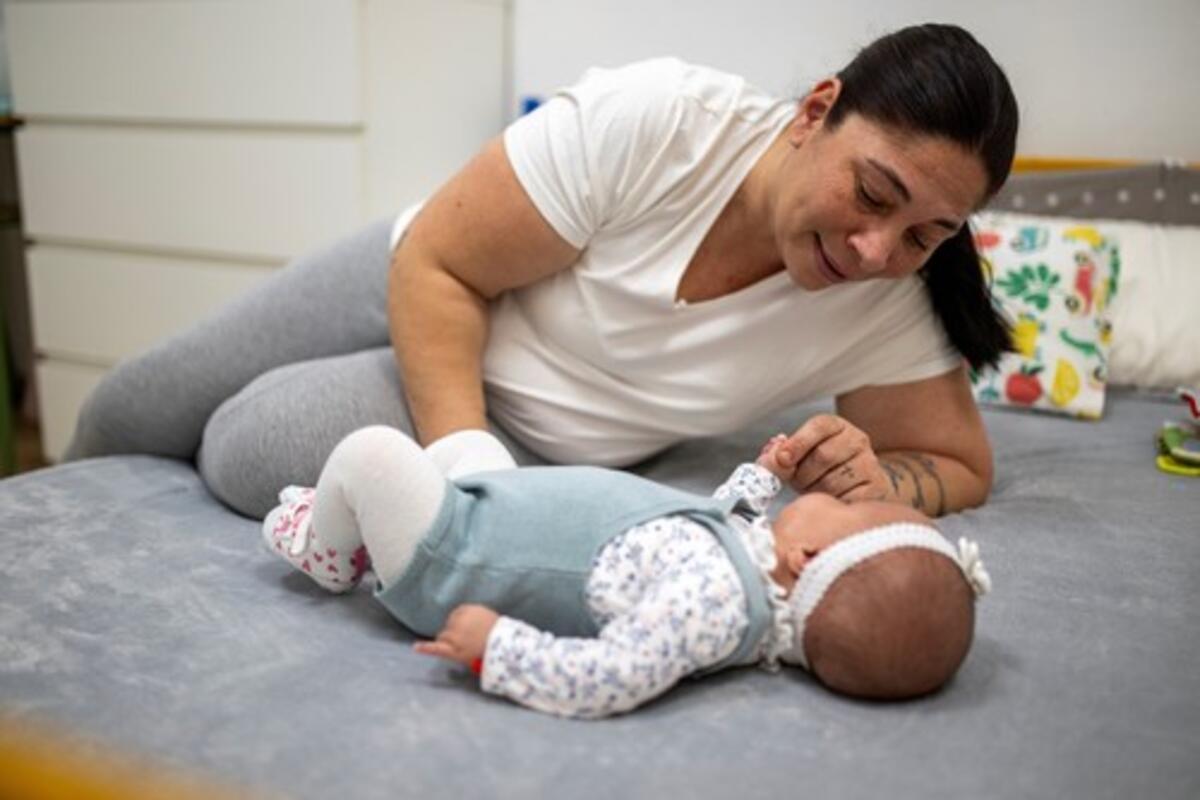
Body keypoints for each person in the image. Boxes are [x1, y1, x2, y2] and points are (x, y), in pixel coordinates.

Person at [66, 23, 1019, 519]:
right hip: (434, 277)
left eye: (925, 235)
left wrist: (878, 481)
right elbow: (440, 262)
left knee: (250, 446)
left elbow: (958, 465)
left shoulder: (889, 300)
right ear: (815, 112)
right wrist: (467, 468)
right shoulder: (662, 121)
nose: (874, 252)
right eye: (872, 193)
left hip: (531, 417)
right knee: (132, 405)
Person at [260, 425, 992, 718]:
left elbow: (614, 674)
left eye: (852, 511)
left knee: (373, 454)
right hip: (499, 508)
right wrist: (763, 474)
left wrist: (499, 648)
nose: (839, 498)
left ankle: (326, 549)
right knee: (472, 445)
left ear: (807, 560)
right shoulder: (745, 567)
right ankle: (369, 523)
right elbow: (717, 518)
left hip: (458, 561)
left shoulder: (714, 606)